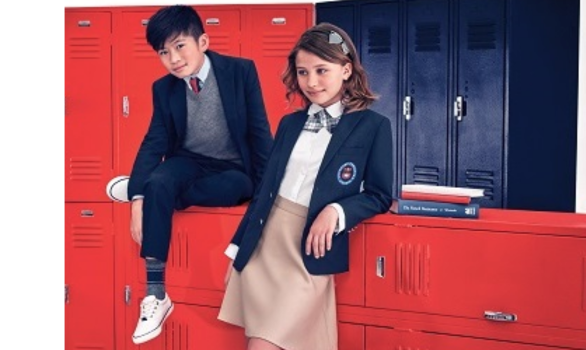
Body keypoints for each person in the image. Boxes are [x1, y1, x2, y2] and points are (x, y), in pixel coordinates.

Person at [217, 22, 393, 350]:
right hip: (264, 244)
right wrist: (238, 250)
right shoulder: (290, 123)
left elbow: (380, 195)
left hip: (309, 251)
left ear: (346, 70)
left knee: (264, 344)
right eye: (302, 72)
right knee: (259, 340)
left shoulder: (374, 126)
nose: (311, 82)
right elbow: (265, 190)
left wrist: (337, 211)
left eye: (321, 70)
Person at [106, 5, 274, 345]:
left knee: (232, 188)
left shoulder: (240, 72)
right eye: (164, 52)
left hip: (232, 168)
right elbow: (155, 140)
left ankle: (155, 194)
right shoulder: (163, 88)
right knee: (159, 181)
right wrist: (139, 199)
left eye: (180, 46)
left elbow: (259, 132)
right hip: (190, 161)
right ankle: (156, 294)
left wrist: (270, 192)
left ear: (203, 41)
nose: (173, 58)